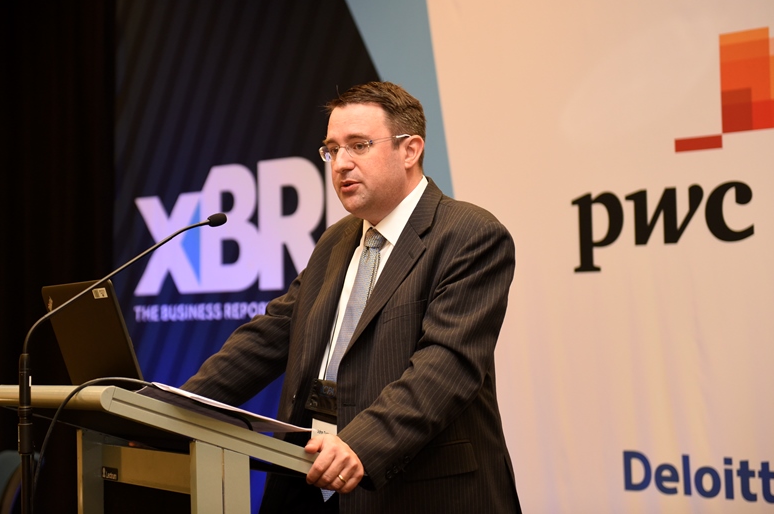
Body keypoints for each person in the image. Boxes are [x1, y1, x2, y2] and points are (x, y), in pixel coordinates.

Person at [182, 81, 521, 514]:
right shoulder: (336, 240)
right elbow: (267, 338)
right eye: (332, 150)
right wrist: (174, 407)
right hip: (312, 477)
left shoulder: (469, 235)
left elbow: (445, 367)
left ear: (410, 150)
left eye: (359, 145)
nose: (341, 163)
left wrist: (360, 444)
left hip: (413, 489)